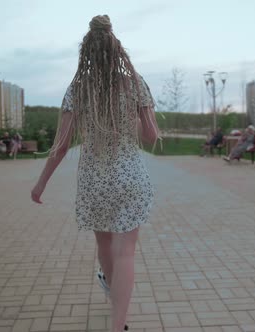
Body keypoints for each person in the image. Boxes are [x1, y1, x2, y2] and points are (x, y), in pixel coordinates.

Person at [31, 15, 159, 332]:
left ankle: (111, 292)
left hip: (94, 179)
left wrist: (40, 183)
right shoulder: (135, 83)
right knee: (125, 251)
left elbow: (60, 146)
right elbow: (152, 137)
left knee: (106, 248)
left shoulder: (78, 89)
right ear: (117, 50)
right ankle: (118, 325)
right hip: (130, 176)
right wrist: (129, 125)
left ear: (86, 52)